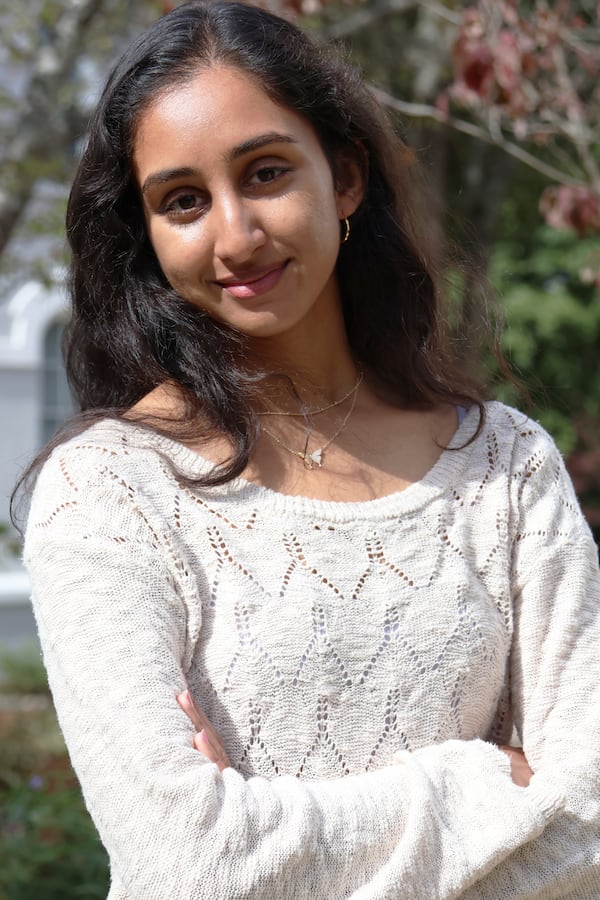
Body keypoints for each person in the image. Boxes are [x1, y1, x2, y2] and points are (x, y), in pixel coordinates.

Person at [19, 1, 600, 898]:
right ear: (148, 236)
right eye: (182, 201)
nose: (235, 234)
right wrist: (478, 785)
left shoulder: (505, 467)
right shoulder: (107, 493)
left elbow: (591, 831)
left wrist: (265, 824)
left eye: (266, 173)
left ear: (347, 178)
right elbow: (188, 862)